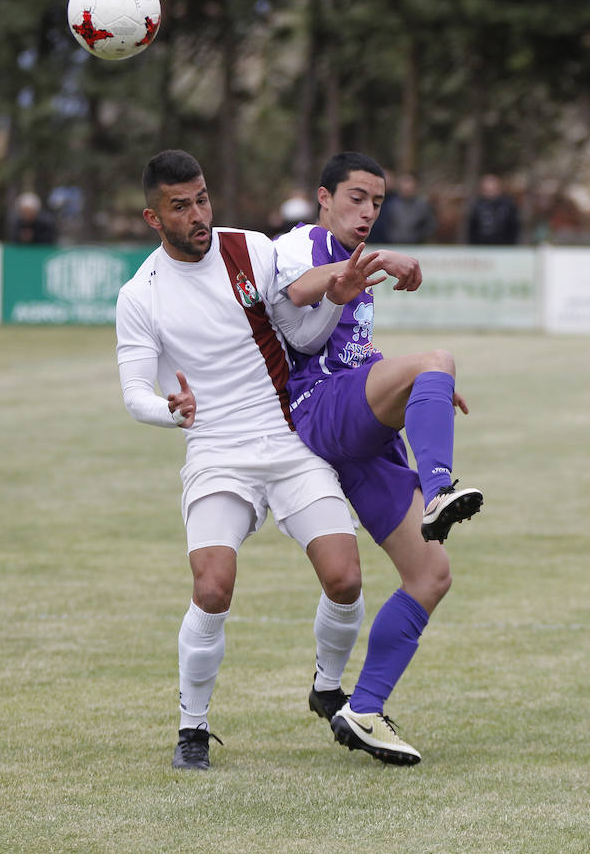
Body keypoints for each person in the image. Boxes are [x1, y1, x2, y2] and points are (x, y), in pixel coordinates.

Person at [115, 150, 386, 771]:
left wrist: (337, 299)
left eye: (203, 198)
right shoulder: (140, 295)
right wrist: (171, 409)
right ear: (154, 218)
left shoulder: (252, 250)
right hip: (215, 449)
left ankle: (326, 685)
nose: (198, 215)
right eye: (180, 206)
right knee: (212, 586)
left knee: (345, 578)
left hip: (288, 438)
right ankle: (192, 725)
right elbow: (133, 394)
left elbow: (306, 336)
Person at [273, 152, 483, 766]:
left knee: (431, 576)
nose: (367, 212)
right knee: (437, 354)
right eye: (357, 197)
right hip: (320, 409)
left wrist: (426, 388)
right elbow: (295, 293)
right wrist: (380, 262)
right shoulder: (301, 243)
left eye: (377, 203)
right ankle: (441, 487)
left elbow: (357, 349)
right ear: (324, 197)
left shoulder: (356, 265)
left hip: (363, 426)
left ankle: (362, 709)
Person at [466, 173, 520, 245]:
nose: (490, 192)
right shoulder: (477, 206)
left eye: (492, 189)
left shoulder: (508, 205)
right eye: (486, 189)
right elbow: (472, 228)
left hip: (504, 247)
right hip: (481, 246)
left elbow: (514, 227)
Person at [384, 172, 436, 244]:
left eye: (410, 183)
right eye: (404, 183)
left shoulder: (423, 205)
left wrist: (418, 237)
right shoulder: (391, 205)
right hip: (394, 245)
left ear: (416, 185)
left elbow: (430, 225)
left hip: (417, 246)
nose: (407, 186)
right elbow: (386, 225)